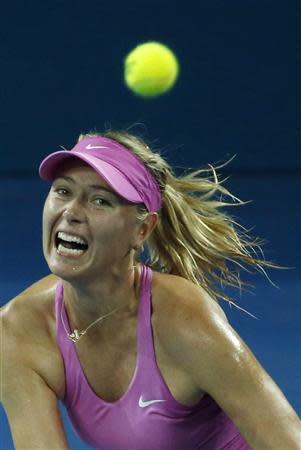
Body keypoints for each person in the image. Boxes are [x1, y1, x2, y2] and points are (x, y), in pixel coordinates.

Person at [1, 130, 300, 450]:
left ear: (142, 229)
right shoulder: (17, 329)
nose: (72, 212)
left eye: (100, 200)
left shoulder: (183, 318)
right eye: (63, 191)